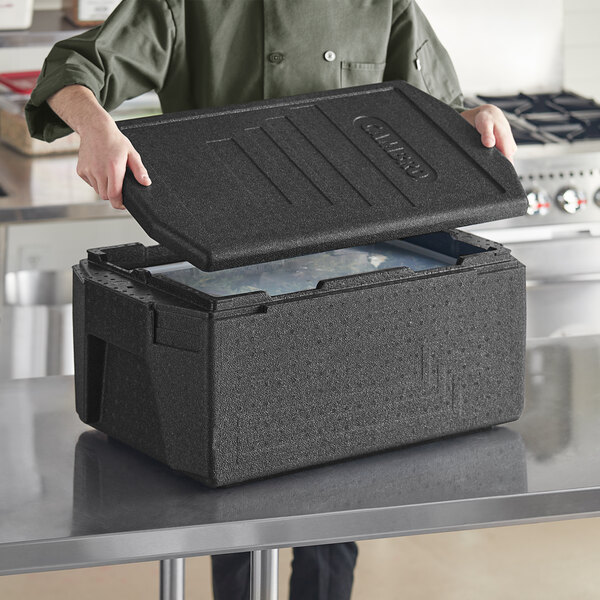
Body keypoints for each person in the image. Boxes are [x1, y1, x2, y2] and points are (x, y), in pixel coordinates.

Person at [25, 2, 516, 599]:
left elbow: (433, 111)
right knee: (228, 489)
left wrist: (476, 117)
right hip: (225, 281)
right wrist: (97, 126)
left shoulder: (382, 4)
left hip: (348, 279)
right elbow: (73, 68)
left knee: (337, 480)